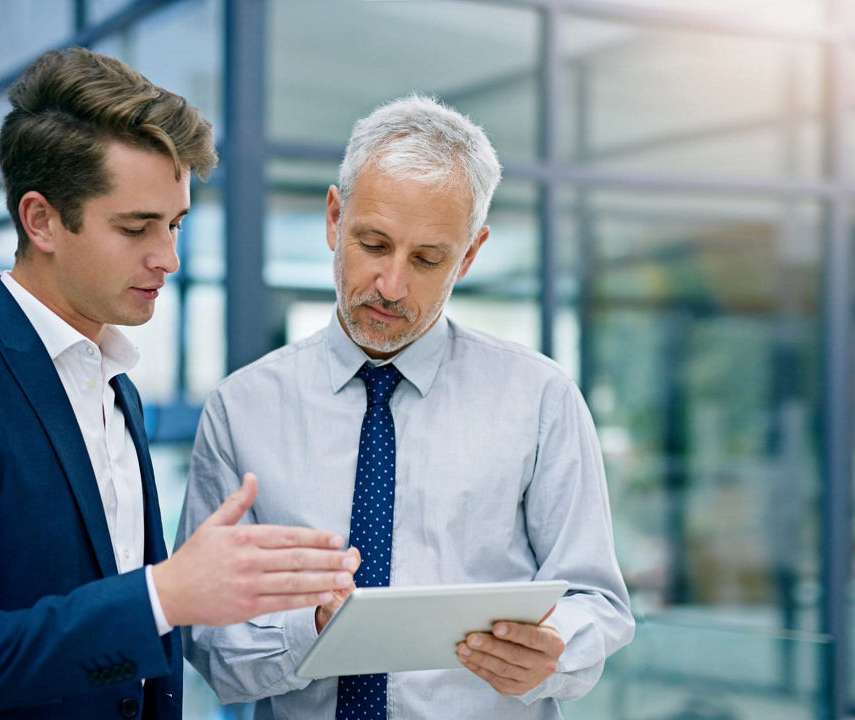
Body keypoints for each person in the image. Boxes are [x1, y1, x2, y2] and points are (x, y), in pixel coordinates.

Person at [0, 47, 357, 720]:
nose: (169, 258)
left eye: (174, 224)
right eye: (135, 228)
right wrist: (160, 598)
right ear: (41, 220)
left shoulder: (118, 387)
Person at [177, 94, 635, 719]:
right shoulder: (243, 408)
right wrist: (312, 626)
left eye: (427, 259)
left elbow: (599, 604)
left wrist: (555, 648)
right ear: (335, 220)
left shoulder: (541, 401)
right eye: (373, 244)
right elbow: (206, 644)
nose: (392, 286)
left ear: (469, 255)